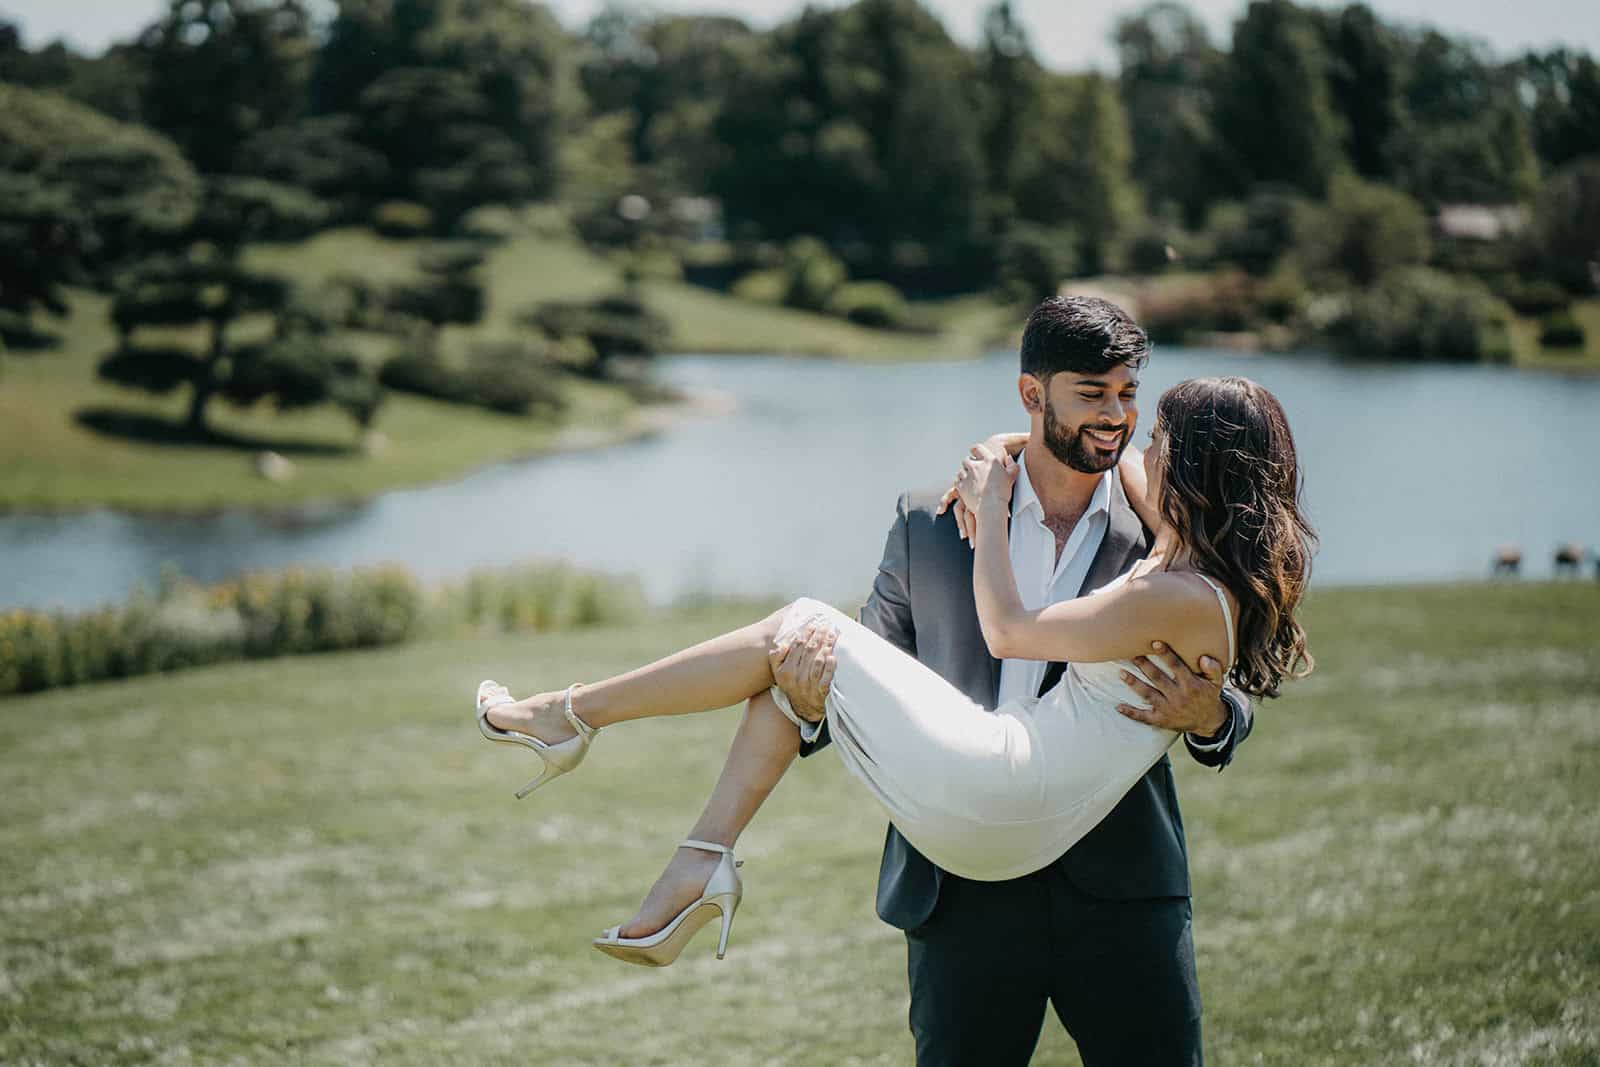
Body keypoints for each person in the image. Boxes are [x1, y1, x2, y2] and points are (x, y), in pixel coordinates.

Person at [475, 297, 1314, 1063]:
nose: (1120, 418)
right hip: (963, 895)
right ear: (1033, 392)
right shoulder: (928, 520)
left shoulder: (1160, 523)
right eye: (1094, 393)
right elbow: (875, 666)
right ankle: (678, 836)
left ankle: (590, 737)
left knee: (794, 622)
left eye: (1131, 395)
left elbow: (1214, 676)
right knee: (794, 653)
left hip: (1119, 889)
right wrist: (810, 697)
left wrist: (1213, 718)